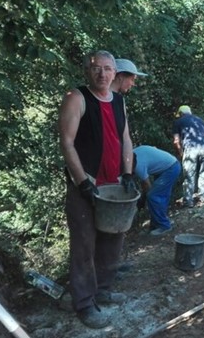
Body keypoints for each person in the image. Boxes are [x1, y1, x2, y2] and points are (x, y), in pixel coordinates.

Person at [58, 50, 136, 329]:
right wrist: (82, 182)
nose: (102, 74)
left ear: (115, 72)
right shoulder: (76, 98)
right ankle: (84, 304)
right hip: (87, 182)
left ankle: (102, 289)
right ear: (87, 72)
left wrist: (127, 173)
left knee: (112, 239)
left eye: (107, 68)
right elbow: (67, 142)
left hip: (113, 183)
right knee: (84, 244)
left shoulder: (119, 101)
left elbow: (126, 138)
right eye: (95, 69)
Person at [133, 145, 181, 236]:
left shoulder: (137, 165)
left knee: (153, 196)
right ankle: (156, 224)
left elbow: (147, 185)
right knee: (157, 197)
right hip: (167, 166)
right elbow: (144, 183)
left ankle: (164, 226)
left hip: (171, 168)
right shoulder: (132, 155)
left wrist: (143, 198)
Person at [172, 105, 204, 208]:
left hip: (190, 149)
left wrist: (180, 152)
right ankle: (203, 198)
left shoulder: (178, 122)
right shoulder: (200, 120)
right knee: (203, 173)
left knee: (189, 176)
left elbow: (176, 141)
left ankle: (188, 201)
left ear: (180, 113)